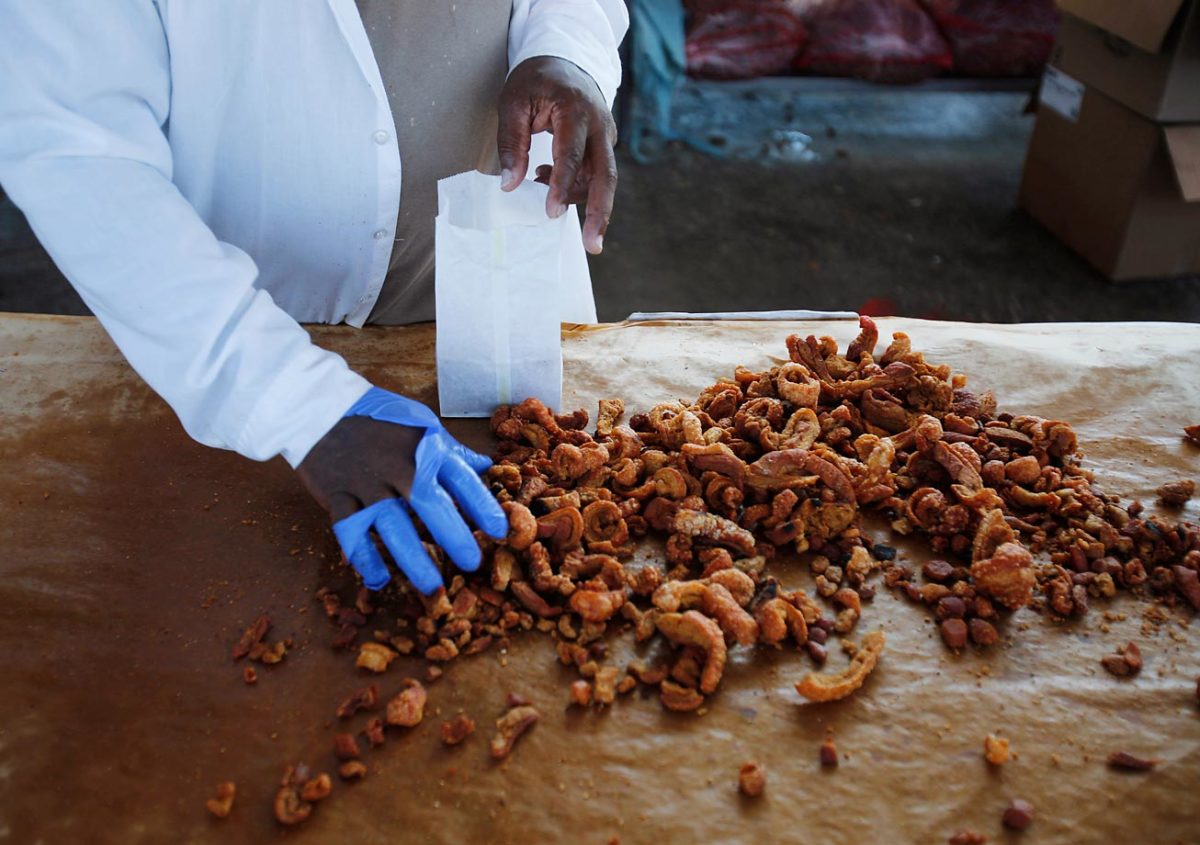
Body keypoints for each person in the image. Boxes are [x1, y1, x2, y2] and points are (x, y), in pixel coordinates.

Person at [0, 1, 627, 594]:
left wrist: (566, 51)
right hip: (236, 332)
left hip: (494, 282)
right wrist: (293, 403)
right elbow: (77, 154)